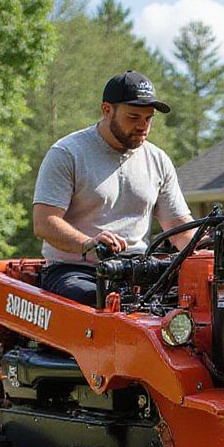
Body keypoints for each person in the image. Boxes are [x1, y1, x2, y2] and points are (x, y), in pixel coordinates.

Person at [32, 70, 192, 304]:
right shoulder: (68, 153)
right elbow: (44, 223)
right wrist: (88, 244)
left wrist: (209, 251)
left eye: (148, 119)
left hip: (138, 271)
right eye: (133, 117)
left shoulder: (157, 160)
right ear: (107, 110)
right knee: (106, 303)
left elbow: (179, 226)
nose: (142, 126)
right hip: (74, 270)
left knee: (195, 302)